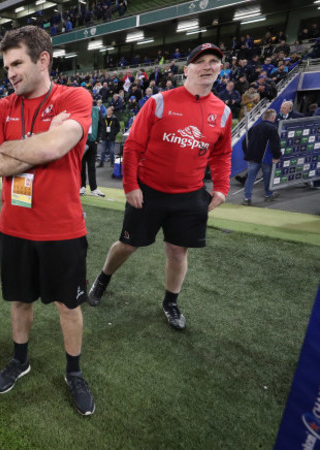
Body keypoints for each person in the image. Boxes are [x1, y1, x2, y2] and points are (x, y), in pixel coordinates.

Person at [0, 26, 95, 416]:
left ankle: (74, 372)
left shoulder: (75, 97)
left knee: (68, 306)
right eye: (6, 65)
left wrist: (28, 148)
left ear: (43, 60)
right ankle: (20, 359)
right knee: (19, 301)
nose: (9, 72)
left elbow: (57, 145)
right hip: (15, 229)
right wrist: (41, 143)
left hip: (63, 229)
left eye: (17, 63)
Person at [87, 43, 233, 331]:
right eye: (200, 61)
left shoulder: (224, 112)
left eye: (214, 61)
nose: (208, 66)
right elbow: (133, 146)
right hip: (149, 189)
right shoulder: (159, 101)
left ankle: (171, 301)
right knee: (128, 244)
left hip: (190, 195)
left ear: (220, 68)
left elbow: (221, 154)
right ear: (187, 69)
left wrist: (221, 187)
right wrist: (131, 185)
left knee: (178, 252)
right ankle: (102, 279)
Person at [241, 109, 282, 205]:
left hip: (252, 157)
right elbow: (275, 145)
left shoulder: (254, 127)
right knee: (267, 177)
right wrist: (277, 156)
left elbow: (245, 141)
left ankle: (247, 198)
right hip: (266, 159)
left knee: (250, 178)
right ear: (272, 118)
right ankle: (268, 195)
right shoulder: (273, 128)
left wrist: (248, 153)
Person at [81, 102, 106, 197]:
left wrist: (98, 139)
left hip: (92, 141)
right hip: (82, 141)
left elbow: (101, 125)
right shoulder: (80, 109)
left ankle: (93, 188)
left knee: (91, 166)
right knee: (81, 165)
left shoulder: (96, 110)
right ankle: (81, 186)